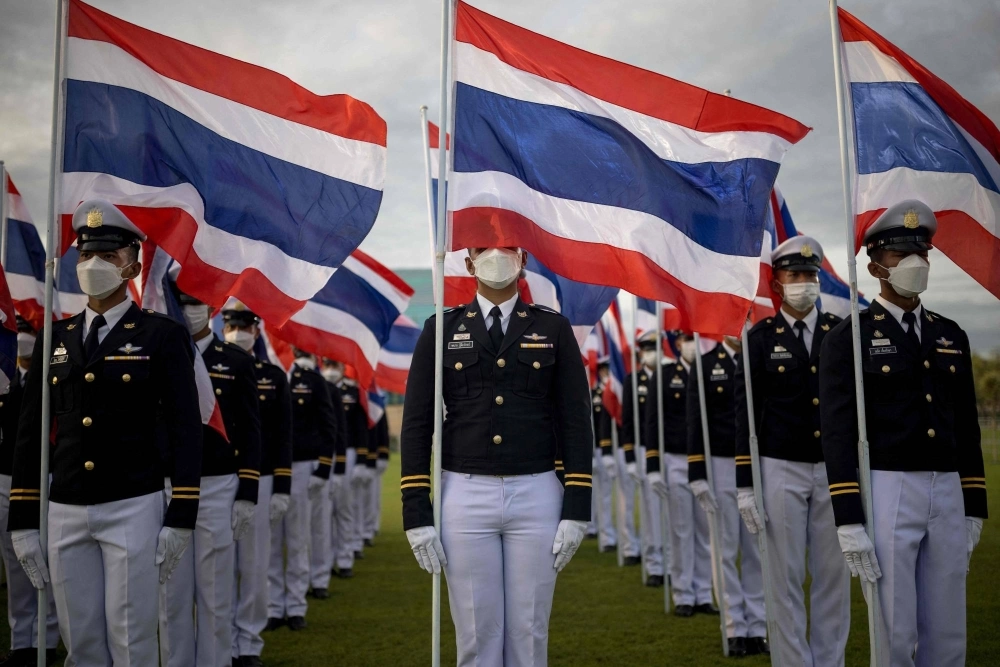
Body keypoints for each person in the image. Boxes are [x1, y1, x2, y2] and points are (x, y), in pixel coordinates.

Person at [9, 199, 202, 665]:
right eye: (86, 254)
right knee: (81, 642)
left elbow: (184, 428)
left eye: (109, 255)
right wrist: (22, 517)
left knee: (133, 637)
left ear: (132, 262)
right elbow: (30, 430)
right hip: (65, 506)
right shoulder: (57, 337)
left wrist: (182, 514)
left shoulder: (161, 335)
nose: (94, 264)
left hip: (132, 503)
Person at [401, 246, 593, 666]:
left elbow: (576, 421)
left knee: (529, 632)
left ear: (523, 260)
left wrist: (577, 506)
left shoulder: (553, 328)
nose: (496, 257)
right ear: (468, 263)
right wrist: (416, 511)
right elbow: (417, 423)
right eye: (484, 249)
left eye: (508, 248)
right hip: (464, 494)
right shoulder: (440, 329)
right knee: (476, 634)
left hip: (536, 491)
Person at [821, 201, 987, 667]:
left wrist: (973, 504)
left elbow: (966, 425)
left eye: (922, 252)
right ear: (875, 265)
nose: (915, 263)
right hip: (889, 486)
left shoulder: (949, 333)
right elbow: (836, 433)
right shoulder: (848, 338)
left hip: (948, 488)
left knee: (949, 628)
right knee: (894, 630)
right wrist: (849, 518)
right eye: (900, 255)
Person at [735, 236, 849, 666]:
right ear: (777, 282)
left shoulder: (839, 334)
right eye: (795, 275)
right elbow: (746, 417)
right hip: (780, 467)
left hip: (834, 470)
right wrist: (746, 484)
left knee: (833, 578)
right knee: (783, 578)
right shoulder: (760, 339)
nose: (804, 282)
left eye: (810, 274)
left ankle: (829, 661)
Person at [160, 286, 262, 667]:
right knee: (170, 594)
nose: (189, 310)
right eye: (181, 302)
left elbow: (251, 430)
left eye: (196, 302)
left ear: (211, 306)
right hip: (169, 484)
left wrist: (247, 491)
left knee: (215, 594)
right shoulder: (161, 352)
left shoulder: (234, 361)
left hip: (218, 484)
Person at [687, 334, 767, 657]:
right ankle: (735, 627)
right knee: (724, 548)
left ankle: (759, 625)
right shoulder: (705, 365)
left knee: (757, 549)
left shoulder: (758, 359)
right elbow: (695, 420)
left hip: (756, 462)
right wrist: (697, 473)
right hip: (720, 461)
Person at [223, 302, 293, 667]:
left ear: (255, 330)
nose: (238, 331)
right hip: (215, 477)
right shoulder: (204, 366)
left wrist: (283, 486)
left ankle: (248, 642)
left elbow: (282, 435)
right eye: (232, 324)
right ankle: (219, 640)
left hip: (262, 478)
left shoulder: (271, 374)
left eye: (244, 325)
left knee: (252, 563)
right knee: (215, 565)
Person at [0, 317, 58, 667]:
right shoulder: (5, 375)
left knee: (47, 559)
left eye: (30, 331)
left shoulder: (49, 374)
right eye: (19, 330)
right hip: (6, 475)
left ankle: (47, 638)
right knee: (15, 561)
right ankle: (22, 639)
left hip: (45, 475)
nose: (24, 338)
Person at [644, 332, 715, 616]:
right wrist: (652, 466)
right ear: (676, 343)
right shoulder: (664, 375)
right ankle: (683, 594)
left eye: (695, 337)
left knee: (705, 531)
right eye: (686, 338)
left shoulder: (710, 370)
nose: (691, 343)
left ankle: (704, 593)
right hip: (675, 457)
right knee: (681, 529)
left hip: (707, 460)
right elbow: (651, 420)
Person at [267, 348, 337, 631]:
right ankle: (273, 606)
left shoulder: (312, 380)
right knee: (271, 543)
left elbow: (327, 424)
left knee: (297, 538)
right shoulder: (269, 374)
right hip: (269, 468)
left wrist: (322, 467)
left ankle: (295, 605)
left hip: (302, 466)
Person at [623, 331, 665, 583]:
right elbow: (627, 420)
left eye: (655, 348)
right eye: (648, 349)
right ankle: (654, 565)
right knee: (650, 509)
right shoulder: (633, 380)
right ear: (640, 352)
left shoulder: (668, 376)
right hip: (641, 448)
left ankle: (671, 562)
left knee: (669, 511)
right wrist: (629, 457)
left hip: (665, 448)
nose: (651, 353)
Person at [323, 360, 364, 580]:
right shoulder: (318, 386)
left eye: (334, 364)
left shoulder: (352, 392)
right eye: (327, 363)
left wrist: (362, 459)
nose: (330, 368)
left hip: (347, 453)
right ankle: (326, 560)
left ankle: (345, 558)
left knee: (344, 509)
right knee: (324, 514)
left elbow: (361, 426)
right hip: (322, 453)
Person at [588, 365, 617, 553]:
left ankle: (608, 533)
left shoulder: (617, 388)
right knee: (601, 494)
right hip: (599, 448)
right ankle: (601, 532)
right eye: (603, 370)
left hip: (618, 447)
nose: (605, 374)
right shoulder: (594, 393)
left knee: (611, 496)